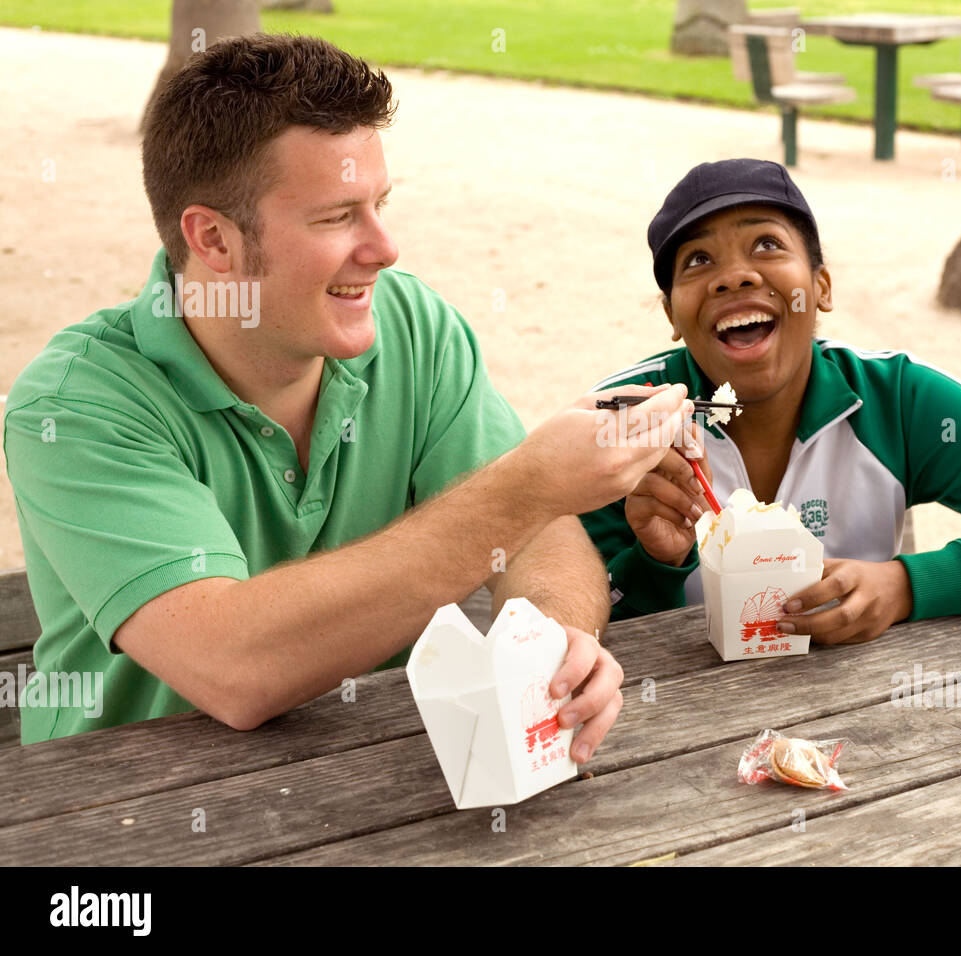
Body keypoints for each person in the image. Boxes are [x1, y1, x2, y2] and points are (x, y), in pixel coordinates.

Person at [3, 35, 694, 750]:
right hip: (115, 812)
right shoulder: (74, 405)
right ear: (213, 239)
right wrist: (526, 488)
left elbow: (538, 535)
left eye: (380, 204)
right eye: (337, 216)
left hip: (376, 781)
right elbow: (234, 667)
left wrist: (553, 640)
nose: (384, 247)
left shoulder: (413, 326)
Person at [580, 158, 961, 641]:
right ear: (672, 315)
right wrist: (656, 563)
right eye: (698, 261)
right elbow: (560, 631)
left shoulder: (895, 399)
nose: (735, 276)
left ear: (821, 286)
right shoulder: (622, 422)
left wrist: (908, 586)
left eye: (767, 244)